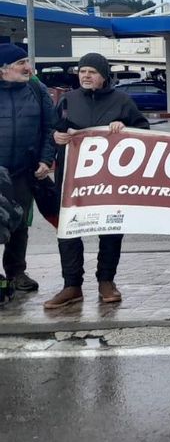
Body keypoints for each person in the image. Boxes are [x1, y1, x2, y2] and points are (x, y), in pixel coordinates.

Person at [43, 53, 150, 309]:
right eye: (82, 71)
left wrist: (124, 128)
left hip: (109, 179)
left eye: (92, 71)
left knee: (111, 230)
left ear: (104, 75)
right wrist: (56, 137)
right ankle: (71, 285)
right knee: (68, 230)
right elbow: (52, 130)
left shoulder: (122, 101)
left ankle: (106, 281)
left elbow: (144, 131)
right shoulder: (68, 100)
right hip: (72, 178)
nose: (86, 76)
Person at [0, 43, 54, 295]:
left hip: (24, 169)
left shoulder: (36, 88)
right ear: (3, 69)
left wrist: (45, 160)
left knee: (19, 221)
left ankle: (16, 271)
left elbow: (49, 126)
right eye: (21, 64)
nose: (28, 68)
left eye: (27, 62)